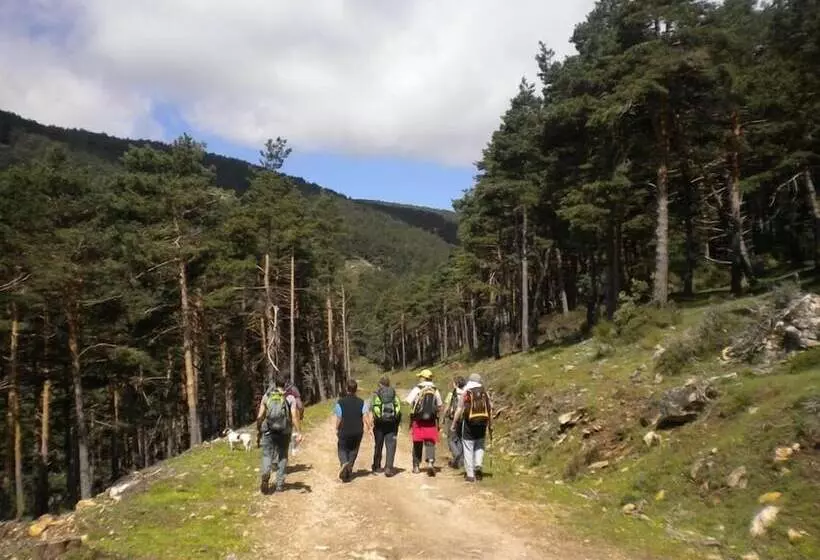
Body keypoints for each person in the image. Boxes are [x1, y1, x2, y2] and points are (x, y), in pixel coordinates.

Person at [256, 373, 303, 494]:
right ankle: (280, 484)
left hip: (269, 430)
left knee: (267, 455)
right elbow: (293, 417)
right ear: (285, 384)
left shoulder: (267, 396)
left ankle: (266, 474)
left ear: (275, 384)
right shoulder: (290, 398)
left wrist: (259, 429)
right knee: (282, 456)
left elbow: (260, 416)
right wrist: (299, 431)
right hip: (284, 432)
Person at [450, 372, 492, 483]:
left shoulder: (466, 392)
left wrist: (454, 424)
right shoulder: (484, 392)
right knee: (479, 444)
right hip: (482, 423)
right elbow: (489, 408)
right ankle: (478, 464)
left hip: (469, 423)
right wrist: (490, 424)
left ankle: (470, 475)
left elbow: (459, 409)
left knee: (468, 448)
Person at [405, 369, 444, 476]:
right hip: (431, 420)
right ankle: (430, 462)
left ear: (423, 377)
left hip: (418, 420)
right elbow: (440, 405)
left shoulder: (418, 388)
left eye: (420, 376)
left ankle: (416, 466)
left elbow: (408, 401)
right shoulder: (435, 389)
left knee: (417, 442)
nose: (419, 378)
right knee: (430, 441)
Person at [335, 378, 371, 482]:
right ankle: (348, 468)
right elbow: (365, 416)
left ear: (347, 389)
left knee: (342, 448)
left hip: (344, 430)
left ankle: (344, 463)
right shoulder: (362, 402)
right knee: (354, 449)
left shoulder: (340, 402)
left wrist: (337, 427)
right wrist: (369, 428)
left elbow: (339, 418)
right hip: (357, 431)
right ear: (356, 389)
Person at [369, 375, 402, 477]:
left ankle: (377, 466)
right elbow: (398, 408)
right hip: (392, 424)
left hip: (379, 424)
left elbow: (373, 408)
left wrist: (371, 422)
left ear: (380, 384)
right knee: (391, 445)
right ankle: (388, 467)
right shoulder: (393, 393)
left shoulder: (377, 394)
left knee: (378, 445)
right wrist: (397, 422)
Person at [444, 375, 466, 469]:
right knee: (460, 439)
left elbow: (447, 407)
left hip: (452, 418)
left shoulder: (451, 394)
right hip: (464, 419)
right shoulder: (466, 393)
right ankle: (461, 461)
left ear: (456, 384)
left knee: (451, 439)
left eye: (453, 383)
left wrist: (443, 417)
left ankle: (456, 455)